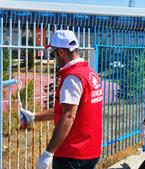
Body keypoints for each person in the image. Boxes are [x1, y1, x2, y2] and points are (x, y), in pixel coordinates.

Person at [19, 30, 103, 169]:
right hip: (91, 151)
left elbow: (69, 116)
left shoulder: (73, 77)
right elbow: (68, 110)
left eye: (53, 53)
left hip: (72, 154)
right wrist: (34, 117)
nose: (53, 58)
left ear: (62, 52)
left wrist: (48, 152)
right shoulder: (89, 73)